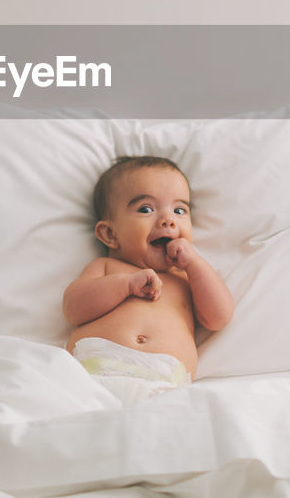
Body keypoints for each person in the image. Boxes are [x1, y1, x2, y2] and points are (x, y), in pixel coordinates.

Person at [63, 156, 234, 404]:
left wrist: (195, 263)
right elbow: (73, 309)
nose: (168, 220)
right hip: (93, 370)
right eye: (146, 209)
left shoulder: (187, 278)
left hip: (164, 382)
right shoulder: (107, 267)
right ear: (110, 233)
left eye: (179, 210)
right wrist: (126, 284)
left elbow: (219, 317)